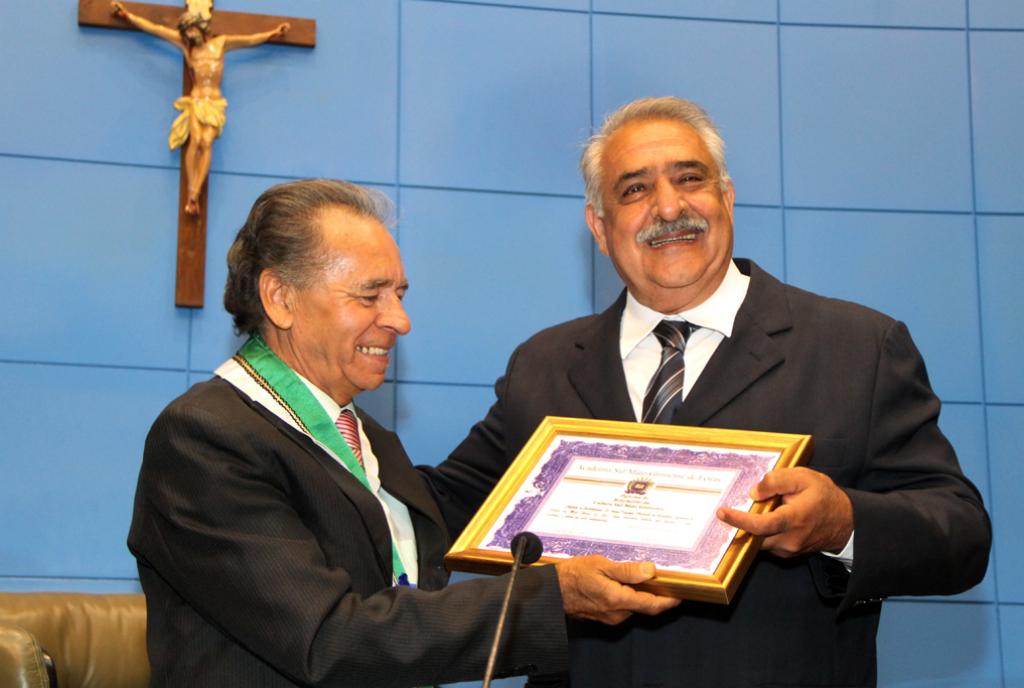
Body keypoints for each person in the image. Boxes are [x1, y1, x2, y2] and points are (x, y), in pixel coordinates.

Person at [422, 97, 992, 687]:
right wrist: (350, 433)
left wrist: (841, 523)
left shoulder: (858, 347)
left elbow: (961, 536)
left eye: (690, 179)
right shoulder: (543, 365)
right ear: (599, 227)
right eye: (635, 189)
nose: (669, 207)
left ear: (727, 196)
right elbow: (438, 507)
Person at [127, 178, 679, 687]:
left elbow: (456, 515)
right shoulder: (206, 439)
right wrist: (549, 599)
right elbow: (327, 639)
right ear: (280, 298)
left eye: (400, 295)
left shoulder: (365, 437)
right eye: (370, 296)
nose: (399, 320)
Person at [111, 0, 289, 215]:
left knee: (206, 142)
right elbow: (156, 29)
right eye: (186, 31)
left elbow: (250, 40)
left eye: (191, 29)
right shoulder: (187, 47)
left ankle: (195, 191)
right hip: (196, 101)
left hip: (214, 104)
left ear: (201, 27)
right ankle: (192, 194)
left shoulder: (221, 44)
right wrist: (128, 16)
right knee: (195, 141)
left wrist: (273, 33)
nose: (189, 34)